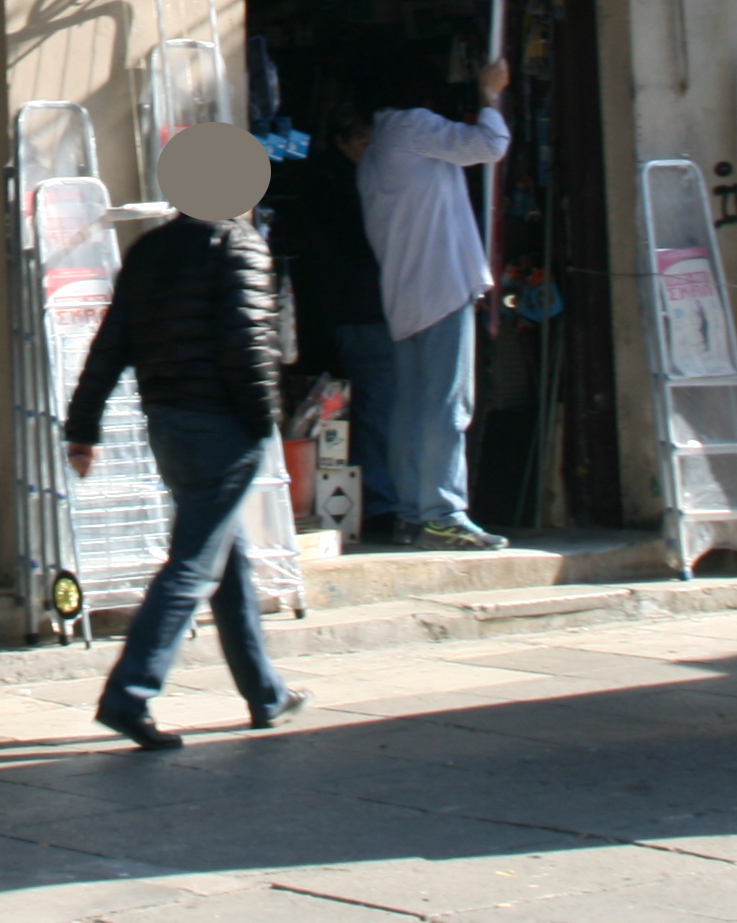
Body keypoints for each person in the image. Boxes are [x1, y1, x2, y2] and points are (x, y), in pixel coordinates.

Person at [61, 123, 309, 752]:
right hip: (225, 427)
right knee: (196, 565)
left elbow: (110, 344)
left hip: (168, 424)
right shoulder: (240, 246)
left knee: (224, 561)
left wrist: (82, 426)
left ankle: (266, 694)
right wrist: (264, 425)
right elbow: (249, 349)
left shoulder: (149, 251)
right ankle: (130, 693)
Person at [358, 59, 512, 553]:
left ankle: (411, 512)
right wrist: (490, 98)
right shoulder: (414, 127)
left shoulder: (374, 154)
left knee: (411, 406)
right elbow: (490, 146)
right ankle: (443, 511)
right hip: (442, 286)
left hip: (404, 295)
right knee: (447, 404)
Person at [304, 103, 402, 543]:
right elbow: (359, 248)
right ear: (342, 143)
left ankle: (382, 499)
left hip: (354, 310)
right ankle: (381, 503)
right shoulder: (343, 187)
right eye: (362, 143)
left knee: (375, 410)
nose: (370, 151)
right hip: (361, 310)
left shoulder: (340, 182)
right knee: (377, 410)